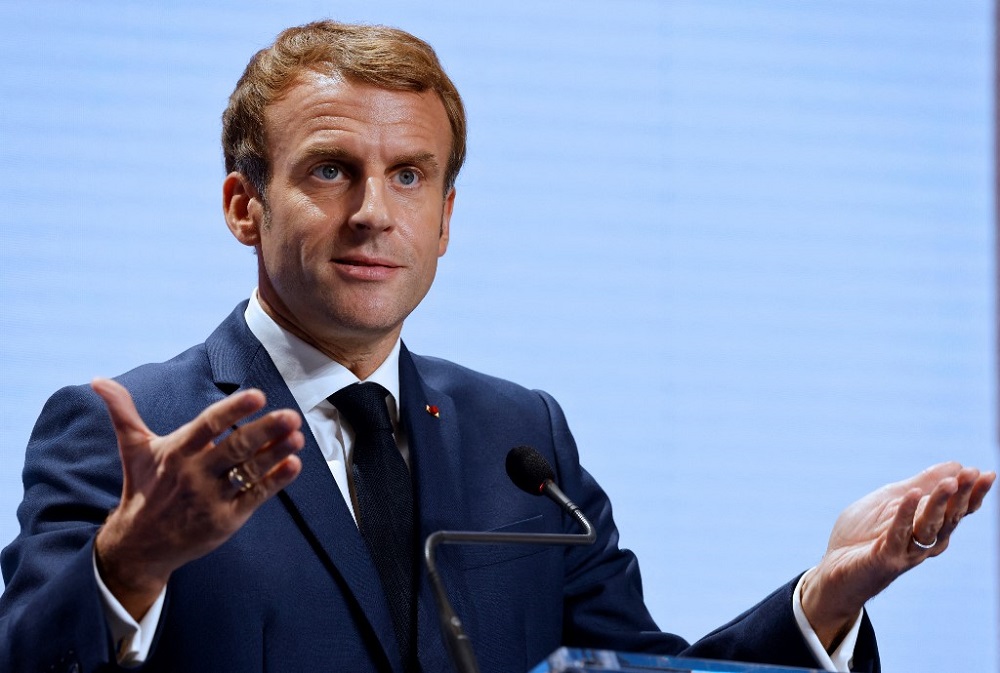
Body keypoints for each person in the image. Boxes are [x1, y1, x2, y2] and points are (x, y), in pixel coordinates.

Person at [0, 19, 993, 673]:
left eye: (410, 176)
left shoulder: (521, 437)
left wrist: (823, 597)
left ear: (446, 216)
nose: (372, 215)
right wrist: (130, 562)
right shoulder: (131, 433)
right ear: (241, 205)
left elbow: (639, 669)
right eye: (332, 171)